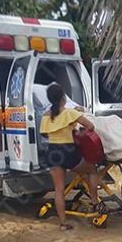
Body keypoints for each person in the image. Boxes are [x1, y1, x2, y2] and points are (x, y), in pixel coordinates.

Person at [39, 83, 102, 231]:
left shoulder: (46, 116)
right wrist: (76, 132)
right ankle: (94, 201)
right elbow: (90, 126)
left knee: (59, 190)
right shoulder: (70, 113)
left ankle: (63, 223)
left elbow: (44, 134)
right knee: (91, 169)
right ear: (63, 97)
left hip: (52, 152)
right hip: (67, 150)